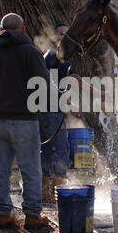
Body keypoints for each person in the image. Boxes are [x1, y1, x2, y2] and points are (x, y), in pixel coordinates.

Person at [0, 13, 51, 230]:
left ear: (1, 30)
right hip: (25, 121)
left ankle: (2, 214)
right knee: (30, 169)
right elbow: (43, 84)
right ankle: (33, 216)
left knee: (2, 170)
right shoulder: (31, 53)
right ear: (23, 30)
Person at [39, 24, 72, 203]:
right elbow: (73, 81)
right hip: (51, 109)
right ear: (54, 37)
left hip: (41, 108)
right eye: (61, 34)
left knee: (44, 149)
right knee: (60, 149)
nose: (64, 37)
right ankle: (57, 194)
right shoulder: (57, 56)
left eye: (67, 34)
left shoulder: (48, 55)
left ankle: (43, 192)